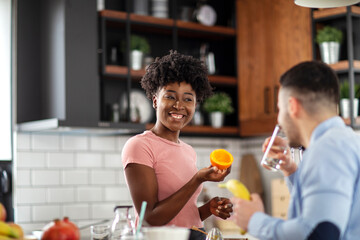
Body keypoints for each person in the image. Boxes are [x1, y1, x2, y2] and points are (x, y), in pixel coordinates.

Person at [231, 61, 360, 240]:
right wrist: (291, 172)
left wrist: (254, 220)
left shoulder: (327, 148)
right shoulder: (346, 141)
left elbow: (317, 233)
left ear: (292, 106)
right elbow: (322, 212)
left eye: (279, 109)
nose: (279, 118)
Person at [122, 51, 233, 240]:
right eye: (170, 97)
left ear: (195, 105)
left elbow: (184, 218)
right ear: (156, 100)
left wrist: (209, 208)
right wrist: (197, 179)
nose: (179, 105)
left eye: (188, 99)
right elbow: (150, 219)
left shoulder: (188, 151)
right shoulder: (139, 146)